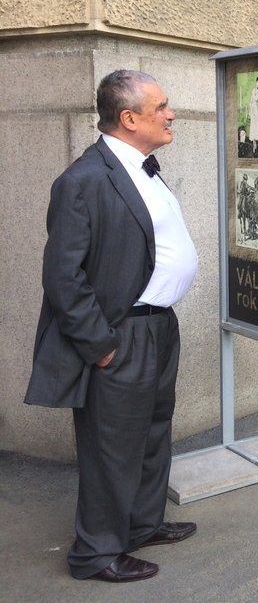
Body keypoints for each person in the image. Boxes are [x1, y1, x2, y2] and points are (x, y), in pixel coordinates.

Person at [24, 70, 199, 583]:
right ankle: (96, 553)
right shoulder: (82, 180)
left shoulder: (142, 169)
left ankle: (141, 525)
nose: (171, 114)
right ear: (129, 118)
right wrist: (101, 346)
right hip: (119, 335)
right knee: (110, 447)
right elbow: (62, 277)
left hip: (158, 328)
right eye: (161, 106)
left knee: (151, 433)